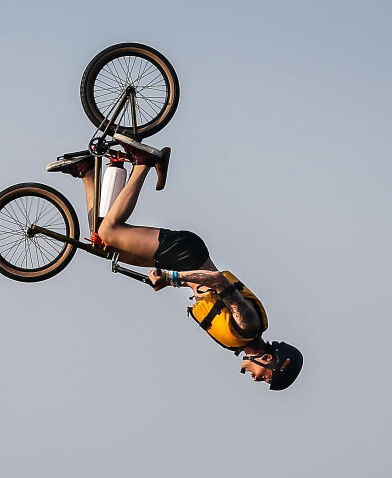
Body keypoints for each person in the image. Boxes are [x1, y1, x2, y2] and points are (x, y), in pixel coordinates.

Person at [47, 135, 303, 390]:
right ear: (268, 359)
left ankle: (87, 171)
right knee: (110, 232)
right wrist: (171, 278)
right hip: (184, 252)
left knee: (103, 246)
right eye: (266, 376)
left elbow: (205, 293)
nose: (258, 378)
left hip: (179, 260)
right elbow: (217, 280)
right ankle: (143, 163)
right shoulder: (248, 325)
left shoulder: (237, 340)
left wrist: (169, 283)